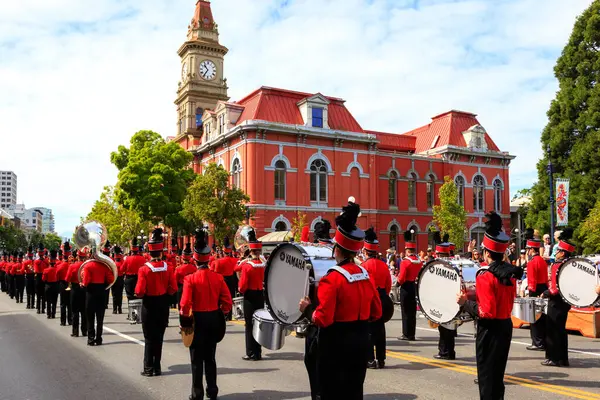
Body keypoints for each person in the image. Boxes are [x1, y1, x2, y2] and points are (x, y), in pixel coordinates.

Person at [299, 198, 382, 400]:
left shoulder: (332, 278)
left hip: (336, 344)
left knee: (331, 392)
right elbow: (377, 312)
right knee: (354, 392)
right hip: (361, 341)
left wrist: (308, 310)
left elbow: (323, 318)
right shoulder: (365, 274)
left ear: (337, 249)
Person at [458, 211, 523, 400]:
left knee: (487, 379)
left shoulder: (485, 275)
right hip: (505, 326)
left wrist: (465, 303)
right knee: (497, 378)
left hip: (490, 329)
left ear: (486, 253)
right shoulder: (509, 274)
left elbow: (485, 312)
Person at [180, 228, 232, 400]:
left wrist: (185, 323)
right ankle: (213, 391)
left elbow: (185, 304)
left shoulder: (190, 279)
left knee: (196, 360)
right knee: (210, 358)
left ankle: (197, 394)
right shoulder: (218, 278)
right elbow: (228, 302)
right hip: (214, 319)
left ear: (194, 260)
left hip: (197, 319)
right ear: (209, 259)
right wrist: (221, 313)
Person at [135, 227, 177, 376]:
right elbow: (173, 289)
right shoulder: (169, 267)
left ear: (149, 253)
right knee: (159, 337)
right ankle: (157, 367)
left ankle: (148, 368)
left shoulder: (144, 270)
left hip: (149, 304)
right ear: (161, 252)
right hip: (163, 304)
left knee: (149, 338)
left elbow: (139, 292)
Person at [541, 228, 575, 367]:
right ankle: (563, 358)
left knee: (552, 329)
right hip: (566, 301)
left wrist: (546, 293)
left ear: (562, 252)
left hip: (555, 301)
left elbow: (554, 288)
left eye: (558, 250)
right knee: (561, 330)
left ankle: (553, 358)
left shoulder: (557, 265)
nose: (556, 253)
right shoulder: (571, 264)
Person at [363, 227, 392, 369]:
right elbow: (388, 285)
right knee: (380, 331)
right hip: (382, 298)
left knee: (368, 330)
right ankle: (381, 359)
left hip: (369, 299)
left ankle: (370, 359)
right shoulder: (384, 265)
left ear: (365, 251)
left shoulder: (364, 266)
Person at [238, 228, 265, 361]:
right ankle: (258, 352)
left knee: (249, 325)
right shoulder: (264, 264)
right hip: (261, 295)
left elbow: (242, 286)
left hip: (249, 296)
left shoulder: (247, 266)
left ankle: (250, 352)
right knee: (258, 324)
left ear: (251, 250)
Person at [81, 246, 115, 346]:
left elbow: (86, 281)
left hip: (91, 292)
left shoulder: (88, 266)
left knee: (90, 317)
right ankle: (99, 338)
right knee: (100, 318)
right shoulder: (104, 266)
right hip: (101, 292)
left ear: (91, 254)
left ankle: (91, 339)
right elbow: (111, 279)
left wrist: (82, 284)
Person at [433, 240, 457, 360]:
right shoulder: (454, 265)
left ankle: (444, 351)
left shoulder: (439, 267)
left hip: (444, 301)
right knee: (450, 328)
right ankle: (450, 351)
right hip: (453, 300)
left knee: (443, 328)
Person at [524, 230, 548, 351]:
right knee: (542, 317)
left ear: (531, 250)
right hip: (543, 288)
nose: (527, 251)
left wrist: (529, 292)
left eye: (528, 249)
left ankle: (537, 342)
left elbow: (532, 281)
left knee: (534, 317)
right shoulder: (543, 261)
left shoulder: (532, 262)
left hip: (535, 289)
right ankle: (542, 341)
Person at [397, 230, 422, 343]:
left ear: (407, 250)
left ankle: (406, 333)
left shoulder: (405, 262)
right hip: (414, 286)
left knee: (405, 311)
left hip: (406, 287)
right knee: (412, 312)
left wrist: (398, 283)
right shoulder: (418, 261)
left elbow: (401, 277)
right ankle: (412, 333)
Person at [211, 237, 238, 320]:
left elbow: (215, 273)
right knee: (230, 297)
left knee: (221, 298)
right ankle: (229, 315)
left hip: (222, 280)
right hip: (232, 280)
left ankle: (222, 314)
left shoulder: (218, 261)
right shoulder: (235, 260)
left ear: (223, 251)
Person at [123, 237, 146, 319]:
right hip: (139, 278)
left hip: (129, 279)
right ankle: (138, 314)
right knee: (139, 297)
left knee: (130, 297)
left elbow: (122, 269)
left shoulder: (127, 259)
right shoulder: (143, 259)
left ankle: (131, 315)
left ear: (132, 250)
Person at [67, 249, 87, 337]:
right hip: (84, 289)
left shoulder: (72, 266)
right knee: (84, 311)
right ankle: (84, 331)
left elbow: (67, 278)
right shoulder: (86, 265)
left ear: (77, 256)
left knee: (75, 311)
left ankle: (75, 332)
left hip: (75, 289)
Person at [176, 242, 197, 310]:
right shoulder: (194, 268)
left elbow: (175, 280)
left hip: (181, 288)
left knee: (181, 306)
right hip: (192, 288)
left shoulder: (178, 268)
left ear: (182, 257)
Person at [56, 241, 73, 326]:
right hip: (70, 284)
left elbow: (57, 275)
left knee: (63, 304)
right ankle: (70, 320)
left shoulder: (60, 265)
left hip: (62, 284)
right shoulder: (72, 265)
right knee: (70, 304)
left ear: (63, 255)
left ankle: (63, 321)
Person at [42, 250, 60, 319]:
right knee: (54, 301)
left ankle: (48, 314)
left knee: (48, 301)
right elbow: (58, 278)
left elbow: (43, 279)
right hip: (55, 286)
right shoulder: (57, 269)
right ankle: (53, 314)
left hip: (48, 286)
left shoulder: (46, 270)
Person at [33, 243, 48, 314]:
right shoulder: (46, 261)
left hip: (38, 278)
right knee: (44, 295)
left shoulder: (36, 261)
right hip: (45, 278)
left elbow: (35, 271)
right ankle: (43, 309)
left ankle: (38, 309)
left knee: (38, 295)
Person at [111, 246, 125, 314]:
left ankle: (114, 309)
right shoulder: (122, 262)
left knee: (114, 295)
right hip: (121, 279)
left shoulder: (113, 263)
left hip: (114, 279)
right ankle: (120, 309)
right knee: (120, 294)